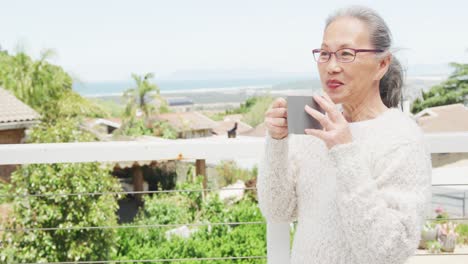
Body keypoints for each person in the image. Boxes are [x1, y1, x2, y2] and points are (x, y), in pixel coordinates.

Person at [257, 6, 432, 264]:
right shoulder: (316, 124)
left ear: (382, 64)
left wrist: (344, 150)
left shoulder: (402, 139)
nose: (332, 66)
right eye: (324, 54)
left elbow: (388, 251)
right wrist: (277, 142)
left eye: (346, 54)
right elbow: (278, 210)